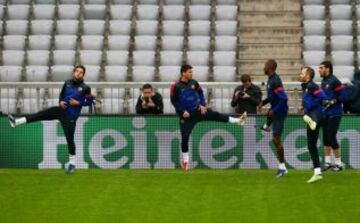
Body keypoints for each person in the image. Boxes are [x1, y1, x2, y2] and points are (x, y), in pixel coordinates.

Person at [8, 65, 94, 174]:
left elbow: (90, 101)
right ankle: (16, 122)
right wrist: (60, 102)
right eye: (77, 71)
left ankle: (72, 164)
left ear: (83, 75)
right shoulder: (67, 83)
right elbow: (61, 95)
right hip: (60, 110)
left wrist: (78, 103)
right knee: (38, 115)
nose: (78, 73)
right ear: (74, 72)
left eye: (81, 72)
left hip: (70, 117)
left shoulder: (86, 88)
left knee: (70, 140)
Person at [171, 64, 247, 171]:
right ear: (183, 73)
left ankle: (238, 121)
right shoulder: (176, 85)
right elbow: (174, 101)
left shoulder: (194, 83)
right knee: (185, 138)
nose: (191, 74)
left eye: (191, 72)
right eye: (189, 72)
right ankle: (186, 162)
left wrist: (202, 104)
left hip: (198, 111)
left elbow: (201, 93)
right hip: (186, 116)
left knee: (216, 115)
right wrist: (182, 111)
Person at [256, 59, 289, 178]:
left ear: (269, 67)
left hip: (280, 112)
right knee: (270, 112)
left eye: (265, 65)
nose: (263, 67)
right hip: (276, 109)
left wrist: (275, 110)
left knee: (276, 140)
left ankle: (282, 168)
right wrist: (262, 103)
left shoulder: (275, 80)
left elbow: (284, 98)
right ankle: (266, 126)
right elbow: (272, 96)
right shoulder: (270, 79)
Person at [299, 67, 328, 183]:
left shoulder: (312, 86)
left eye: (302, 73)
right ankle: (317, 173)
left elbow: (323, 97)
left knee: (311, 144)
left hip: (317, 114)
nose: (300, 75)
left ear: (308, 76)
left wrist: (310, 106)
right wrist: (304, 106)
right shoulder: (305, 86)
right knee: (311, 145)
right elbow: (308, 98)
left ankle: (312, 121)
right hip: (313, 115)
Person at [319, 61, 348, 172]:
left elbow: (344, 96)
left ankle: (339, 164)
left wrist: (333, 101)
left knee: (331, 136)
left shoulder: (334, 81)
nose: (319, 70)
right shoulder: (324, 81)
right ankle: (327, 163)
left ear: (328, 69)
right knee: (326, 137)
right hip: (325, 113)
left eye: (321, 68)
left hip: (335, 113)